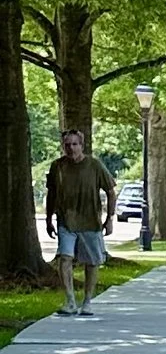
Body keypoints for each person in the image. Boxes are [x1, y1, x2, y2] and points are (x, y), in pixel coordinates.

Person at [44, 131, 117, 314]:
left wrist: (109, 218)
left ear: (81, 145)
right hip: (66, 220)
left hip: (90, 220)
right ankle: (69, 300)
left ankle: (87, 301)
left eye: (75, 144)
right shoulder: (57, 166)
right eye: (67, 145)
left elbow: (110, 191)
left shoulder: (94, 165)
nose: (71, 148)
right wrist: (48, 219)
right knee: (65, 258)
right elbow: (51, 194)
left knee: (92, 261)